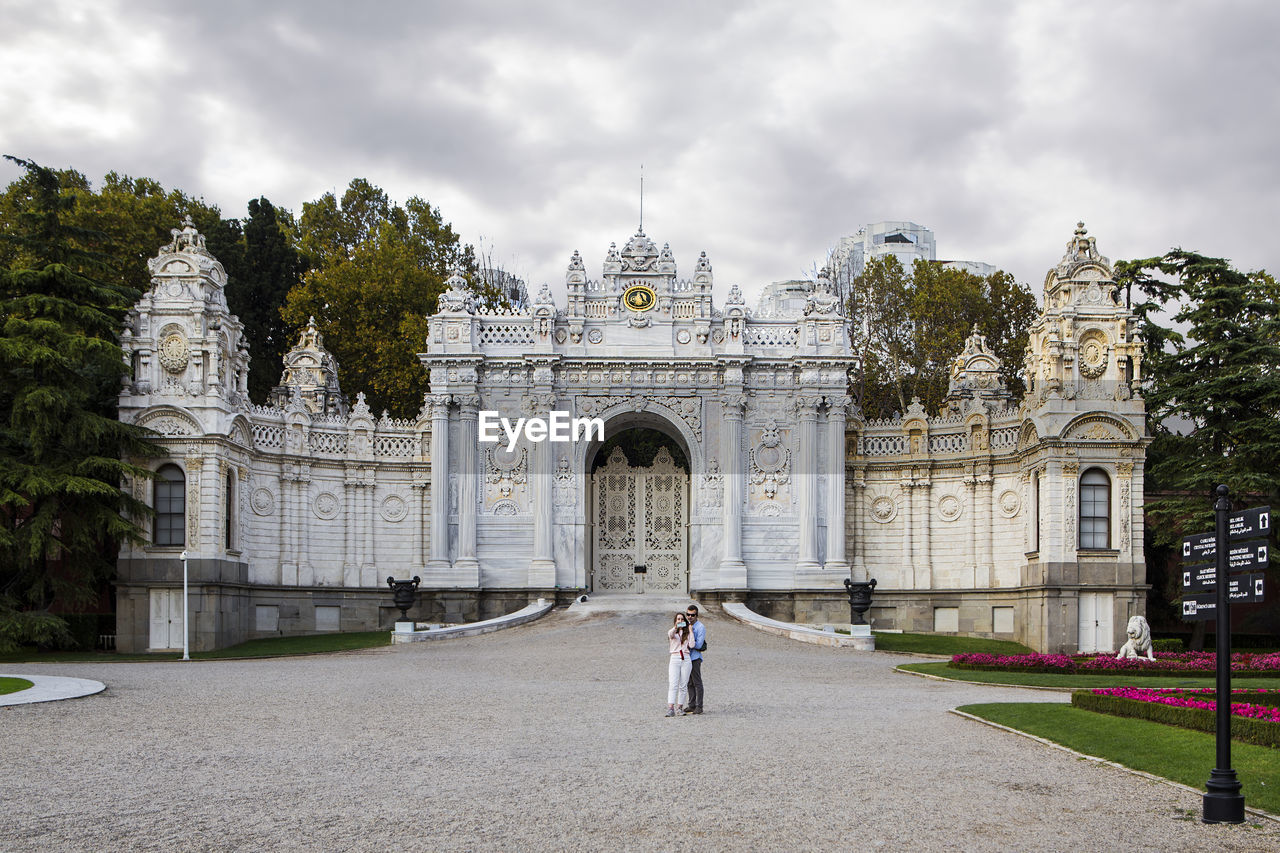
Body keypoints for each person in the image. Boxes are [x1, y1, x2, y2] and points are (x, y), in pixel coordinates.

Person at [666, 612, 694, 717]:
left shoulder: (687, 633)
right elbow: (670, 634)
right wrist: (676, 627)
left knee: (683, 685)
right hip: (675, 657)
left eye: (682, 619)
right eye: (678, 619)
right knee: (673, 684)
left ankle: (680, 707)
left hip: (686, 658)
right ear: (675, 621)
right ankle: (670, 707)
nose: (680, 621)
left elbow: (692, 645)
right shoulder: (673, 632)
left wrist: (690, 632)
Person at [683, 604, 705, 715]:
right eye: (688, 614)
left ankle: (699, 706)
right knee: (689, 682)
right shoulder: (685, 624)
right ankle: (691, 704)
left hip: (695, 657)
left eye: (692, 615)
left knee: (697, 682)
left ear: (697, 615)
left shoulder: (700, 627)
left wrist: (691, 637)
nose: (690, 617)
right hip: (686, 657)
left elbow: (699, 644)